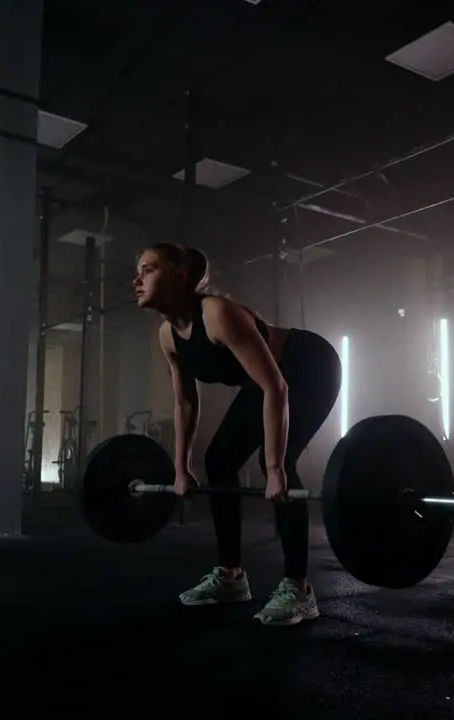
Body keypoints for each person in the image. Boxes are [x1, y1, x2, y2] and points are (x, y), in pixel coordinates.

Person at [133, 243, 342, 626]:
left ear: (179, 275)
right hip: (266, 383)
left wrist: (275, 469)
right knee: (219, 460)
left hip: (309, 365)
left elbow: (277, 387)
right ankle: (231, 577)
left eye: (148, 269)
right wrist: (180, 468)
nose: (137, 279)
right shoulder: (167, 335)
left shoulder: (217, 314)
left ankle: (298, 588)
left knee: (274, 459)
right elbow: (185, 404)